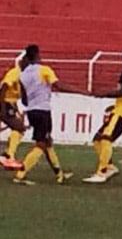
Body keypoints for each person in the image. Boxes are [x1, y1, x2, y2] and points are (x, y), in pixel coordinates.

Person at [14, 44, 89, 185]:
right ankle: (20, 174)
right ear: (37, 55)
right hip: (43, 110)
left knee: (47, 141)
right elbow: (58, 85)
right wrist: (80, 91)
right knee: (41, 144)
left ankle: (59, 174)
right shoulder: (44, 70)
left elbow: (24, 99)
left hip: (31, 110)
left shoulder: (22, 75)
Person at [83, 49, 122, 184]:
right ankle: (109, 166)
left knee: (105, 139)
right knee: (97, 139)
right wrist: (117, 105)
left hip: (121, 112)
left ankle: (102, 172)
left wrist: (104, 94)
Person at [0, 59, 27, 170]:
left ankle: (7, 155)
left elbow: (13, 95)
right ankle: (8, 156)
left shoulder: (22, 75)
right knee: (19, 127)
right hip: (4, 103)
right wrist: (2, 108)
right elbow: (3, 88)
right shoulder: (15, 72)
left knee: (19, 127)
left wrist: (16, 110)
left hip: (8, 104)